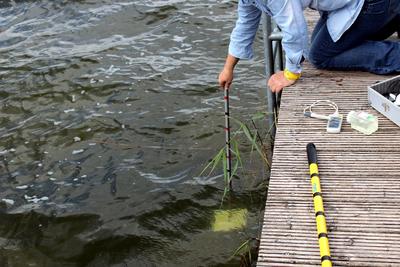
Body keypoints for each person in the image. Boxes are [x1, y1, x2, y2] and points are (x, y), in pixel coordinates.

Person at [218, 0, 400, 93]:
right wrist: (228, 68)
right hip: (354, 5)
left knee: (320, 56)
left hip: (371, 5)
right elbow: (245, 25)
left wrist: (291, 73)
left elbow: (294, 29)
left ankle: (394, 55)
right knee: (318, 45)